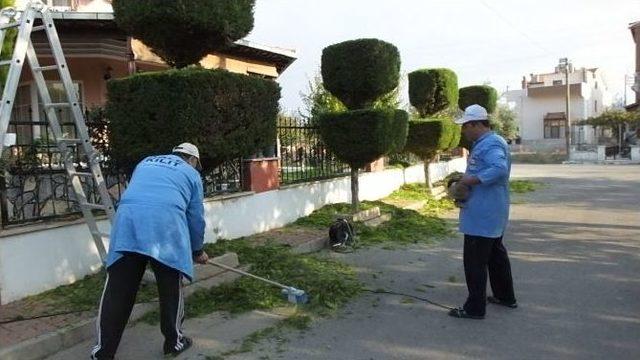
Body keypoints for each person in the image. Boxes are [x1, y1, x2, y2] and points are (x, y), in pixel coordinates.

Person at [91, 143, 209, 359]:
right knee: (171, 288)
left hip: (128, 224)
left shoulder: (145, 161)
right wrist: (197, 250)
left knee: (117, 293)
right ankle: (174, 343)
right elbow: (195, 218)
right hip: (165, 226)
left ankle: (102, 353)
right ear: (193, 160)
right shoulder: (191, 173)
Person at [448, 104, 517, 320]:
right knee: (496, 256)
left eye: (466, 127)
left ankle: (474, 308)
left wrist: (469, 179)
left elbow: (498, 169)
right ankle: (506, 297)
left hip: (483, 214)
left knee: (475, 261)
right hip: (490, 211)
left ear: (477, 124)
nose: (464, 131)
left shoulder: (491, 144)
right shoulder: (486, 143)